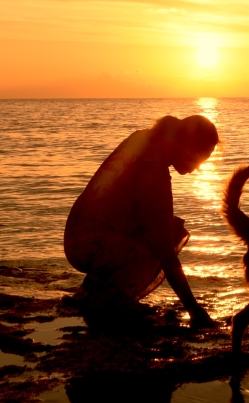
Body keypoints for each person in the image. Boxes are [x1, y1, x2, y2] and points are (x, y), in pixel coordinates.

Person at [65, 114, 219, 328]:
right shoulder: (153, 171)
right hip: (93, 245)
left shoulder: (142, 140)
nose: (198, 168)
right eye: (199, 158)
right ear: (186, 145)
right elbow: (165, 253)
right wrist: (194, 310)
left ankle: (96, 289)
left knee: (160, 227)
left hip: (77, 235)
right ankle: (110, 297)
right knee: (171, 233)